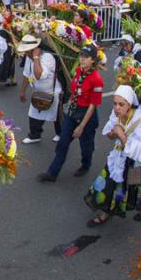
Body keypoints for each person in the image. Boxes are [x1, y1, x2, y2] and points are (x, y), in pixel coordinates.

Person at [84, 85, 141, 226]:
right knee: (110, 181)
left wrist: (120, 134)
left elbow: (135, 151)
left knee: (139, 186)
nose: (117, 107)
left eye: (121, 104)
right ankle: (106, 212)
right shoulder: (117, 113)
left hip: (138, 160)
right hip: (120, 154)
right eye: (115, 103)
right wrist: (113, 133)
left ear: (130, 104)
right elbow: (109, 134)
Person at [39, 46, 103, 182]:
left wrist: (81, 126)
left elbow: (93, 105)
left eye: (86, 57)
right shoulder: (79, 71)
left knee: (86, 146)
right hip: (73, 113)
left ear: (93, 60)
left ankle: (86, 165)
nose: (82, 59)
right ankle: (52, 173)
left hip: (86, 116)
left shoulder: (96, 79)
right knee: (63, 142)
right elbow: (74, 90)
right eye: (81, 55)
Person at [18, 35, 63, 145]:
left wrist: (36, 58)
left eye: (26, 51)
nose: (24, 53)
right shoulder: (29, 58)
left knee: (57, 115)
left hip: (53, 91)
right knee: (34, 114)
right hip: (39, 92)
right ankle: (35, 135)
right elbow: (27, 74)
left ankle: (61, 134)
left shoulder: (47, 57)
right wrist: (23, 91)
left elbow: (39, 75)